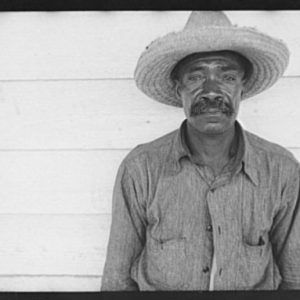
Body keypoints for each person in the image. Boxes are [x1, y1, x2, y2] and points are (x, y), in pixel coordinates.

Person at [101, 11, 300, 290]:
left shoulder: (282, 170)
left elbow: (295, 278)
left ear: (243, 88)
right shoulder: (141, 169)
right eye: (195, 77)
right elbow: (116, 282)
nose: (211, 90)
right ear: (178, 88)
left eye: (227, 76)